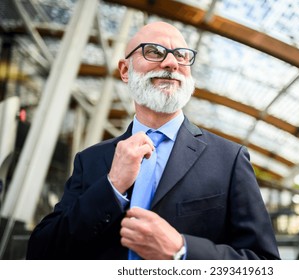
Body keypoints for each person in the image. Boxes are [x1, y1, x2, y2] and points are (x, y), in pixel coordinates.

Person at [25, 21, 280, 260]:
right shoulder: (91, 160)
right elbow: (41, 253)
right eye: (155, 52)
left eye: (181, 55)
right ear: (125, 70)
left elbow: (264, 262)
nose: (171, 62)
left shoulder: (229, 159)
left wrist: (182, 251)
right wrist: (112, 186)